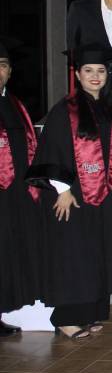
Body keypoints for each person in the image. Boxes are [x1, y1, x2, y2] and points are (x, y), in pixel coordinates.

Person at [26, 43, 112, 340]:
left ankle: (91, 312)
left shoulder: (107, 108)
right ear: (78, 75)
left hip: (102, 193)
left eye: (100, 71)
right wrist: (63, 189)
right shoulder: (64, 111)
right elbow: (52, 151)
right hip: (74, 194)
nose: (95, 76)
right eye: (88, 70)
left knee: (96, 254)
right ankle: (66, 318)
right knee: (73, 256)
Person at [0, 39, 42, 337]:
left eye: (2, 66)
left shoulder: (16, 105)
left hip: (13, 193)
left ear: (10, 72)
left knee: (7, 252)